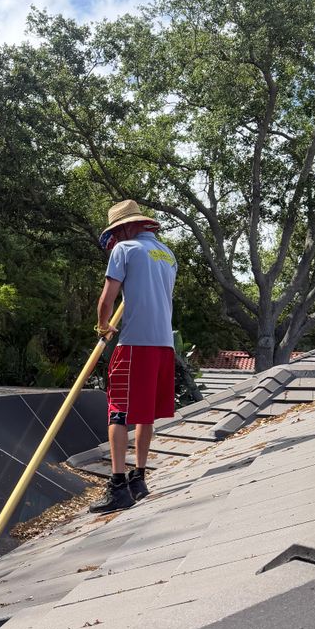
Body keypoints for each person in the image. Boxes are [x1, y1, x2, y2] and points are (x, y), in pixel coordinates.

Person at [89, 199, 177, 514]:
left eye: (117, 231)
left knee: (118, 410)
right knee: (145, 412)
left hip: (135, 344)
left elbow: (107, 298)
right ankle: (138, 478)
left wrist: (102, 325)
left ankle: (118, 486)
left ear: (125, 227)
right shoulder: (167, 254)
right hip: (164, 345)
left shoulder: (124, 251)